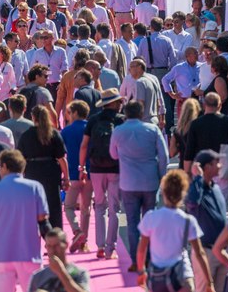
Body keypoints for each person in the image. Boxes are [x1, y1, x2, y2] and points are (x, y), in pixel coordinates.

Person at [109, 100, 169, 272]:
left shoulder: (118, 131)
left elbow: (113, 155)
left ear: (125, 113)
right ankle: (150, 257)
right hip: (150, 181)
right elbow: (163, 156)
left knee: (132, 222)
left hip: (128, 182)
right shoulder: (152, 129)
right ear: (142, 113)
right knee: (150, 221)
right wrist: (161, 175)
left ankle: (137, 259)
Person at [0, 150, 51, 291]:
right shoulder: (35, 187)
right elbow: (43, 222)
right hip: (29, 254)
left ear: (5, 166)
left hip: (1, 255)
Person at [137, 169, 214, 292]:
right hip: (181, 276)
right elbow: (199, 253)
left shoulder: (151, 217)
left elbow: (141, 249)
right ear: (183, 193)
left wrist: (141, 271)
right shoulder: (188, 220)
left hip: (157, 277)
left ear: (163, 192)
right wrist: (209, 282)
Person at [79, 89, 125, 259]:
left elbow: (84, 145)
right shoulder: (121, 120)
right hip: (116, 168)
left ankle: (99, 245)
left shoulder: (93, 120)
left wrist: (81, 166)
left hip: (96, 168)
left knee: (99, 206)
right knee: (114, 209)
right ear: (113, 103)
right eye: (119, 102)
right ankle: (110, 248)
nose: (121, 104)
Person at [183, 93, 228, 197]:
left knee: (203, 204)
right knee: (220, 204)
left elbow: (189, 151)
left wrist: (187, 173)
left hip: (201, 169)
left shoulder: (195, 124)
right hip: (223, 169)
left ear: (204, 105)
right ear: (220, 105)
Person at [19, 105, 71, 228]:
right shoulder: (54, 134)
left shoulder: (26, 135)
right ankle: (56, 234)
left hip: (33, 171)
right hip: (51, 172)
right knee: (54, 206)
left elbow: (20, 158)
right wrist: (66, 178)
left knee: (33, 206)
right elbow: (62, 158)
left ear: (33, 117)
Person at [186, 151, 228, 292]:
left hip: (222, 250)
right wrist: (198, 177)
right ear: (206, 167)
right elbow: (192, 202)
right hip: (206, 252)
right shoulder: (196, 189)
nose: (220, 165)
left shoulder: (215, 187)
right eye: (216, 163)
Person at [60, 100, 93, 253]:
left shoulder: (66, 131)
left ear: (74, 113)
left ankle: (76, 230)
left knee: (68, 206)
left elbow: (61, 153)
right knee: (86, 208)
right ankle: (83, 241)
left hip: (73, 172)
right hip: (90, 173)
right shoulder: (90, 128)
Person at [126, 59, 165, 126]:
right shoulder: (152, 80)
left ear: (139, 67)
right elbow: (159, 103)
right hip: (154, 120)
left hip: (143, 122)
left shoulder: (140, 82)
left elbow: (140, 104)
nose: (129, 70)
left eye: (131, 67)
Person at [170, 98, 200, 169]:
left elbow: (172, 152)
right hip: (197, 165)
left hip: (183, 165)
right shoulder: (199, 127)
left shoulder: (178, 131)